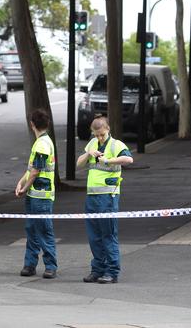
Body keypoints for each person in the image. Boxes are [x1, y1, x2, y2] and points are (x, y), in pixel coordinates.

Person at [76, 115, 133, 284]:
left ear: (108, 129)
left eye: (102, 134)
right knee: (94, 236)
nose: (100, 137)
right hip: (92, 197)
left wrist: (108, 160)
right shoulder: (92, 144)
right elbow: (79, 163)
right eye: (97, 135)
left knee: (108, 235)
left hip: (108, 197)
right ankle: (97, 269)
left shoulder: (116, 145)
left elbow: (129, 159)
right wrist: (88, 153)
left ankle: (112, 271)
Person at [15, 109, 58, 279]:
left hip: (41, 196)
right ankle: (30, 264)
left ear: (32, 124)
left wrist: (24, 188)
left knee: (43, 230)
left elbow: (36, 171)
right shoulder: (43, 141)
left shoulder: (42, 144)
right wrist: (21, 182)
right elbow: (31, 170)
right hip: (36, 195)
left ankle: (50, 266)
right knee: (32, 229)